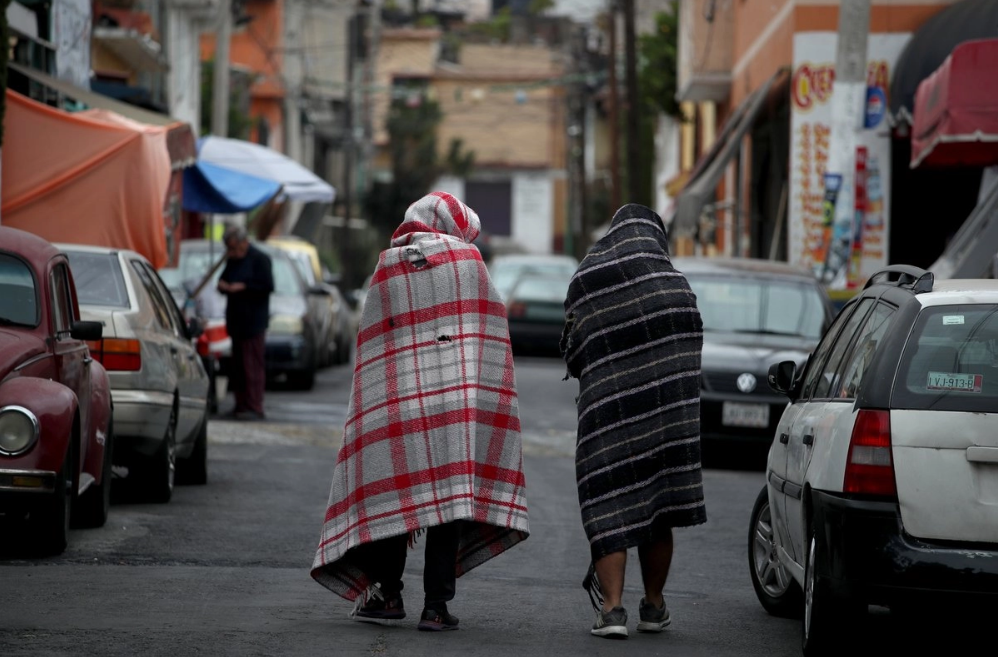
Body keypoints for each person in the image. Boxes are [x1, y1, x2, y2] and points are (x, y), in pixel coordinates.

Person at [310, 191, 529, 632]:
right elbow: (489, 327)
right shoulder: (471, 264)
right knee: (447, 504)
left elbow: (372, 343)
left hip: (396, 399)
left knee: (395, 493)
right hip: (454, 401)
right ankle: (435, 607)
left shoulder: (389, 264)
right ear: (459, 225)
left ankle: (389, 596)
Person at [560, 203, 707, 639]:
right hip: (666, 423)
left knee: (609, 503)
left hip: (608, 416)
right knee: (658, 508)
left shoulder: (588, 278)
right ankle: (654, 606)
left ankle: (611, 610)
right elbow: (689, 356)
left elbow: (574, 348)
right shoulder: (677, 285)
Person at [217, 225, 274, 421]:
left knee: (253, 366)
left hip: (254, 322)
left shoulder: (260, 259)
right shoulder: (232, 261)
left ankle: (254, 405)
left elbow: (267, 286)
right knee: (238, 367)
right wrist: (225, 286)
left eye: (235, 247)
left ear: (244, 242)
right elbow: (222, 281)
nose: (233, 252)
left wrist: (243, 287)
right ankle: (240, 404)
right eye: (230, 249)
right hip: (236, 321)